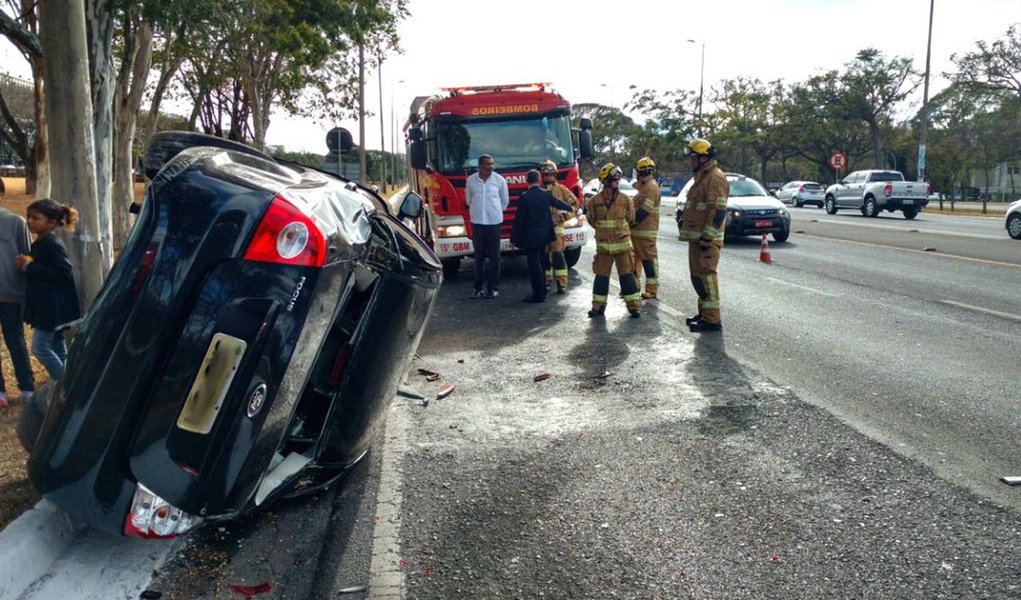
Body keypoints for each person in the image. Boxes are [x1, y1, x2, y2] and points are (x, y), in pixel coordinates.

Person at [16, 199, 81, 379]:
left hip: (51, 308)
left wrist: (29, 266)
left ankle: (63, 385)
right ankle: (71, 380)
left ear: (52, 222)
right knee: (58, 347)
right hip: (50, 306)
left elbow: (64, 271)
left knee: (40, 348)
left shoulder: (51, 243)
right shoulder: (41, 242)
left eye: (36, 218)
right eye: (28, 217)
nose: (30, 221)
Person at [678, 139, 728, 332]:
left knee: (706, 278)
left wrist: (708, 237)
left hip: (706, 241)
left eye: (694, 158)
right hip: (697, 239)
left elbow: (718, 211)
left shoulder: (715, 178)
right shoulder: (702, 178)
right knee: (698, 278)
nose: (691, 162)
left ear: (704, 158)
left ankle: (713, 320)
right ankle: (704, 313)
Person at [511, 170, 576, 303]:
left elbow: (519, 220)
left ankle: (539, 294)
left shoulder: (524, 197)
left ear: (527, 181)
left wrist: (514, 239)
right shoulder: (546, 194)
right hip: (545, 236)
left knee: (534, 266)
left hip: (531, 238)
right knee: (542, 262)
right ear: (539, 180)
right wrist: (571, 208)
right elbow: (558, 203)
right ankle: (544, 290)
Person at [587, 163, 641, 318]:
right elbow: (591, 220)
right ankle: (598, 307)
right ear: (605, 181)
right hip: (604, 247)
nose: (618, 181)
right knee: (601, 277)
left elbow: (631, 218)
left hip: (623, 247)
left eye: (618, 179)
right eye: (614, 179)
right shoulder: (594, 202)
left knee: (627, 276)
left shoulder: (625, 200)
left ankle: (634, 307)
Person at [0, 199, 34, 407]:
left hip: (10, 294)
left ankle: (27, 388)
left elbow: (28, 257)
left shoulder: (16, 222)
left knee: (15, 340)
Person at [464, 154, 508, 299]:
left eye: (492, 164)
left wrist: (494, 211)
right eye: (487, 164)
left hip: (494, 223)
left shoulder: (499, 180)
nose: (490, 167)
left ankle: (492, 288)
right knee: (479, 257)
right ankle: (478, 288)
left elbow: (504, 201)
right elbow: (468, 200)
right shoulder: (471, 181)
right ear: (480, 166)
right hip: (477, 223)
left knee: (494, 257)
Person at [539, 160, 579, 293]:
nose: (548, 177)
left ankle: (562, 283)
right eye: (546, 175)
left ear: (555, 175)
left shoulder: (562, 190)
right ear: (542, 176)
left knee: (557, 255)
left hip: (557, 229)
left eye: (551, 175)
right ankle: (546, 281)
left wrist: (563, 217)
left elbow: (575, 206)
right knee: (544, 256)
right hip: (543, 230)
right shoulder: (539, 191)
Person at [630, 156, 662, 299]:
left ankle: (651, 289)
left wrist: (631, 221)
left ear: (640, 172)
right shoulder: (643, 187)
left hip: (646, 232)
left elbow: (644, 211)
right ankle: (634, 287)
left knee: (648, 260)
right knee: (634, 261)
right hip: (637, 232)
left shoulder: (651, 187)